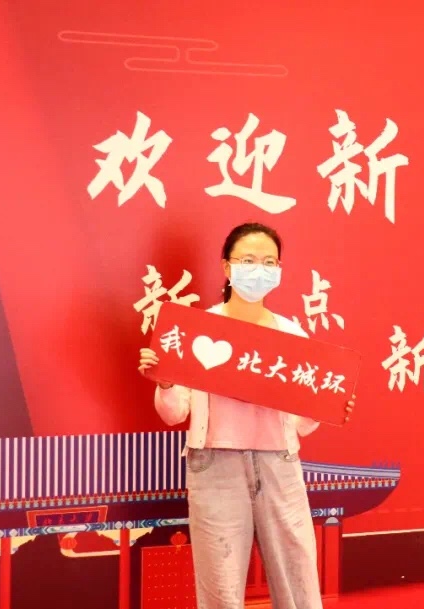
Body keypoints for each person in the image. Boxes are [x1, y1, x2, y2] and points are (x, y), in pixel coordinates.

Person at [138, 222, 352, 609]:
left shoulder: (292, 335)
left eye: (269, 262)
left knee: (299, 584)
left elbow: (302, 423)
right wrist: (165, 383)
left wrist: (328, 404)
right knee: (220, 590)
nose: (259, 270)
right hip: (215, 468)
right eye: (248, 260)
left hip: (279, 467)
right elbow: (175, 414)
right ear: (227, 266)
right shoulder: (196, 329)